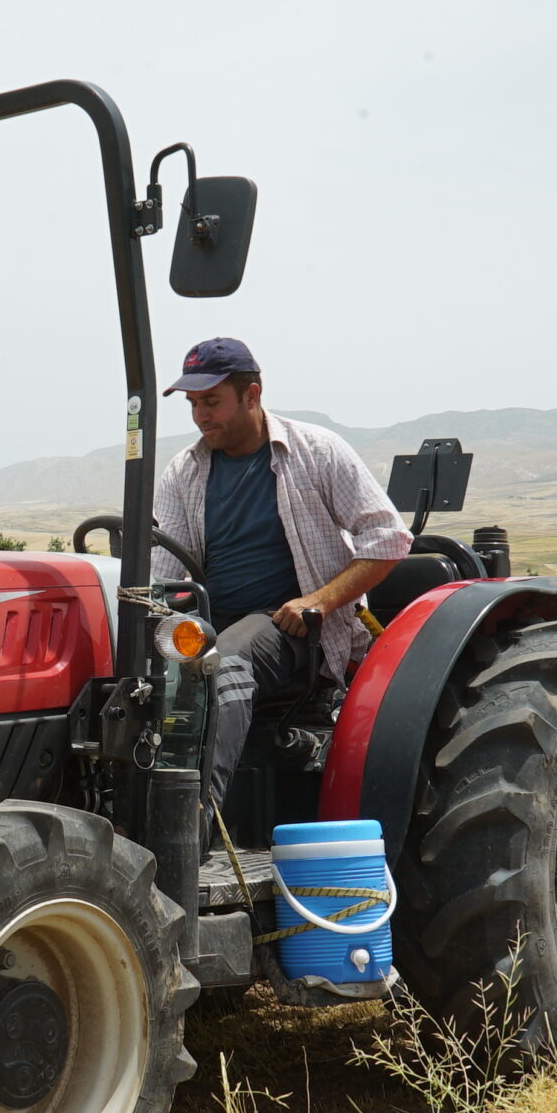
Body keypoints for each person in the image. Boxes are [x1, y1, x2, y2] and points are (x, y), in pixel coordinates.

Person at [150, 338, 411, 820]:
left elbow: (388, 537)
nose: (201, 416)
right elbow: (162, 573)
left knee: (221, 664)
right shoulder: (183, 472)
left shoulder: (316, 452)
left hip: (291, 628)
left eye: (212, 402)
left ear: (252, 395)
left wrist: (319, 601)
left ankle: (192, 827)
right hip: (211, 620)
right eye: (193, 405)